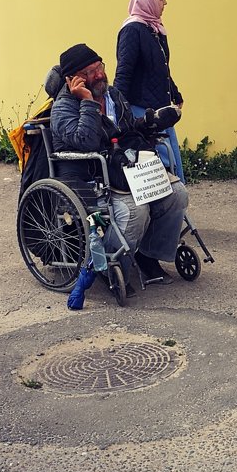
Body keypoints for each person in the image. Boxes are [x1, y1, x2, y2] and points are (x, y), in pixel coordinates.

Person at [50, 42, 186, 294]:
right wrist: (88, 102)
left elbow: (125, 130)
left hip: (121, 170)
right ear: (73, 80)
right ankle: (108, 264)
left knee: (176, 195)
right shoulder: (63, 108)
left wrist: (149, 122)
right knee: (136, 210)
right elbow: (86, 141)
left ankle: (147, 255)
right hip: (89, 177)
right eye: (89, 73)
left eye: (99, 67)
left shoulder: (113, 95)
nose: (99, 75)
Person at [114, 0, 186, 182]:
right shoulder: (132, 31)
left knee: (170, 160)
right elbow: (124, 72)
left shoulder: (154, 29)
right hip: (142, 110)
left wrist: (174, 91)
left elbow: (161, 67)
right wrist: (120, 111)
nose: (165, 3)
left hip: (160, 109)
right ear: (148, 0)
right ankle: (162, 209)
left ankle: (174, 209)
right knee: (155, 164)